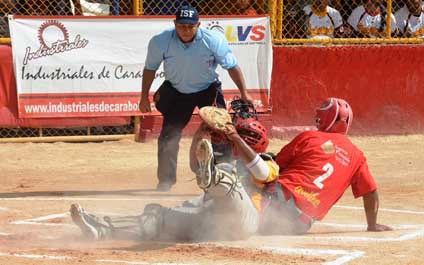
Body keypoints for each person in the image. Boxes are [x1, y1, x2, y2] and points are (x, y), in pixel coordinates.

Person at [70, 107, 274, 241]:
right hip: (210, 222)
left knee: (225, 172)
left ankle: (213, 175)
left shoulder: (267, 161)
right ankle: (101, 230)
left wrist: (236, 138)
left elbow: (263, 174)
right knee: (158, 219)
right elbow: (196, 167)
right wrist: (200, 134)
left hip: (244, 221)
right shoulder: (224, 157)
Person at [138, 5, 252, 191]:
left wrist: (245, 93)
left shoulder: (213, 40)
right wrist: (144, 97)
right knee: (168, 136)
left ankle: (223, 175)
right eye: (181, 26)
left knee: (221, 132)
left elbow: (231, 66)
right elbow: (150, 69)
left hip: (208, 89)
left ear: (198, 25)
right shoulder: (160, 41)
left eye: (190, 26)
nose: (186, 30)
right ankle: (166, 181)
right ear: (174, 24)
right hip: (177, 91)